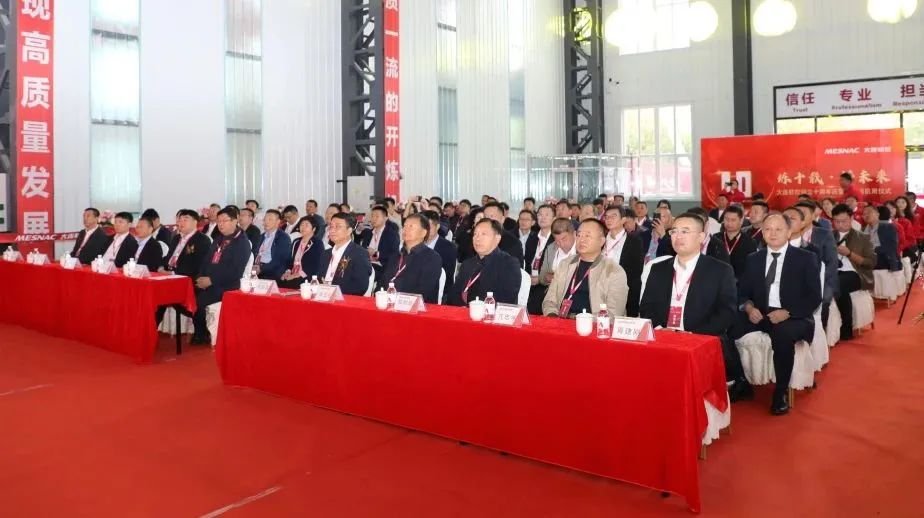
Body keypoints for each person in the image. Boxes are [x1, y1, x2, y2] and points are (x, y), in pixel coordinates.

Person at [639, 212, 741, 390]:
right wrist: (661, 329)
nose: (678, 236)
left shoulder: (720, 270)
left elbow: (727, 312)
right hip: (662, 336)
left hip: (701, 339)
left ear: (701, 237)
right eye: (674, 231)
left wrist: (691, 334)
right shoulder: (658, 269)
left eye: (685, 231)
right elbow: (646, 306)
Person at [732, 214, 821, 415]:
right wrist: (749, 308)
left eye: (778, 229)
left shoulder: (805, 258)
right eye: (768, 229)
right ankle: (740, 380)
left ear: (789, 232)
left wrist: (788, 312)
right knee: (728, 325)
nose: (772, 234)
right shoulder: (754, 259)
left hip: (795, 316)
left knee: (782, 334)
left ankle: (780, 392)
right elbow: (742, 293)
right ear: (762, 233)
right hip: (761, 314)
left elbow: (814, 297)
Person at [542, 219, 628, 317]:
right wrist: (552, 315)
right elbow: (549, 300)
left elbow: (613, 313)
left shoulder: (614, 271)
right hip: (561, 321)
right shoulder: (565, 264)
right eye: (579, 235)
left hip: (593, 324)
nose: (582, 240)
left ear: (601, 241)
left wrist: (582, 320)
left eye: (587, 236)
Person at [191, 207, 252, 344]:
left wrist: (212, 280)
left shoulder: (242, 242)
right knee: (189, 293)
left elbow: (235, 271)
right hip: (209, 281)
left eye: (225, 221)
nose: (221, 224)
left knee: (199, 301)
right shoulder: (219, 239)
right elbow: (206, 261)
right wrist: (200, 277)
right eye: (219, 221)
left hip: (228, 285)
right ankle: (200, 331)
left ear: (235, 221)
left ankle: (202, 334)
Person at [448, 218, 521, 307]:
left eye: (483, 234)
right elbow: (454, 294)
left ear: (497, 238)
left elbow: (505, 300)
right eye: (475, 234)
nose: (477, 238)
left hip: (491, 313)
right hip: (463, 312)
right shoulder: (467, 264)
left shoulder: (509, 264)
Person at [831, 204, 875, 341]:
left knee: (839, 284)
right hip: (833, 272)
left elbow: (870, 262)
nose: (840, 225)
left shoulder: (863, 237)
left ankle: (846, 326)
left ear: (851, 219)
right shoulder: (829, 236)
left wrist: (850, 254)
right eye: (836, 221)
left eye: (843, 221)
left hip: (857, 274)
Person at [377, 213, 443, 304]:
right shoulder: (395, 256)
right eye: (404, 226)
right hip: (387, 304)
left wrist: (397, 301)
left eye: (411, 226)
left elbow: (424, 291)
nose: (405, 230)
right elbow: (382, 282)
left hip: (416, 307)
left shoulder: (432, 258)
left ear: (423, 233)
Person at [795, 201, 840, 325]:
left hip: (822, 280)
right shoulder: (789, 234)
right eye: (797, 213)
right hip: (795, 280)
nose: (800, 216)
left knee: (823, 300)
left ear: (813, 215)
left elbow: (832, 263)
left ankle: (821, 331)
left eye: (803, 213)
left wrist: (820, 282)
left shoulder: (824, 234)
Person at [602, 206, 644, 317]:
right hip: (601, 288)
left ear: (623, 220)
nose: (609, 219)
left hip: (624, 288)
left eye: (613, 216)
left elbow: (636, 270)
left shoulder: (634, 241)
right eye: (606, 217)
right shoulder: (600, 239)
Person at [529, 217, 577, 314]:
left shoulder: (582, 250)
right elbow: (542, 276)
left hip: (572, 294)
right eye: (557, 240)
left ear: (574, 234)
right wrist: (546, 277)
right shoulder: (551, 248)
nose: (561, 244)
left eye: (564, 239)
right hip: (550, 292)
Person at [320, 212, 373, 296]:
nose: (332, 230)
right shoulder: (326, 253)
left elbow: (360, 286)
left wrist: (332, 290)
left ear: (349, 231)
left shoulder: (359, 253)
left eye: (338, 227)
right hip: (322, 297)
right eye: (331, 226)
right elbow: (318, 278)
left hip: (344, 299)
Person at [279, 216, 324, 289]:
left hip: (307, 276)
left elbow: (314, 266)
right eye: (301, 225)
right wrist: (287, 272)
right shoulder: (296, 241)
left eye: (306, 225)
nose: (303, 227)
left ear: (314, 229)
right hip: (293, 274)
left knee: (290, 284)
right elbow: (289, 260)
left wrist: (296, 275)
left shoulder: (317, 243)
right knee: (280, 280)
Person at [358, 205, 400, 283]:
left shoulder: (391, 234)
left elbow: (394, 256)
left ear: (385, 218)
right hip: (366, 264)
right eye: (372, 216)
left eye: (377, 216)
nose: (373, 219)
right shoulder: (368, 233)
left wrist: (375, 254)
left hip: (381, 267)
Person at [423, 210, 458, 303]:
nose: (425, 230)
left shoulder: (449, 248)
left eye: (428, 226)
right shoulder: (416, 245)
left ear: (437, 226)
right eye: (422, 227)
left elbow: (447, 277)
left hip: (440, 292)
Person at [164, 209, 211, 277]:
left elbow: (198, 264)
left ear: (195, 222)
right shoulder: (176, 238)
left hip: (185, 276)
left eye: (185, 220)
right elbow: (169, 256)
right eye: (180, 220)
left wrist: (173, 273)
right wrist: (161, 267)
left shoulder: (202, 240)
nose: (181, 223)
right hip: (167, 272)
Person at [716, 205, 757, 281]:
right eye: (726, 219)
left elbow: (751, 268)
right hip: (717, 281)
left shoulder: (750, 242)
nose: (729, 223)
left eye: (733, 220)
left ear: (741, 221)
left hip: (740, 283)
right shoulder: (715, 239)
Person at [482, 202, 525, 268]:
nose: (488, 221)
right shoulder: (478, 239)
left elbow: (516, 269)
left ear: (502, 219)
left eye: (491, 216)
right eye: (485, 217)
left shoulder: (513, 242)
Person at [253, 209, 292, 281]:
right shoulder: (261, 236)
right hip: (258, 269)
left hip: (272, 272)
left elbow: (279, 260)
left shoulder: (283, 237)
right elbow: (255, 253)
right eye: (265, 219)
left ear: (278, 222)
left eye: (270, 219)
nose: (266, 222)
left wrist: (261, 268)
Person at [863, 205, 901, 273]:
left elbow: (891, 247)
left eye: (869, 212)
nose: (866, 215)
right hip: (869, 266)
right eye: (864, 214)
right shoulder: (863, 230)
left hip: (885, 265)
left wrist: (872, 249)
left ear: (877, 214)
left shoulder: (887, 227)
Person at [524, 204, 554, 277]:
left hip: (546, 281)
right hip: (530, 279)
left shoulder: (555, 239)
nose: (543, 218)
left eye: (547, 215)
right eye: (540, 215)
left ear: (554, 218)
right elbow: (527, 261)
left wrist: (540, 278)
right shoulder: (532, 237)